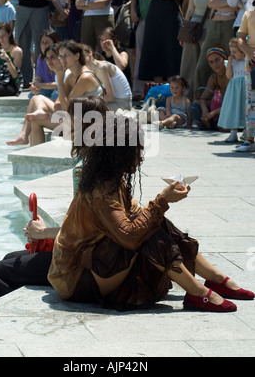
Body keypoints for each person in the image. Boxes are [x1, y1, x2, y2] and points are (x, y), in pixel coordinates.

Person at [47, 114, 253, 312]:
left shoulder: (110, 180)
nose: (141, 156)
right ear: (121, 152)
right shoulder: (100, 189)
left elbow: (139, 215)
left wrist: (163, 202)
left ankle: (215, 278)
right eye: (137, 150)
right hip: (78, 279)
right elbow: (129, 237)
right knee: (148, 230)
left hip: (97, 265)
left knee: (155, 222)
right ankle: (198, 291)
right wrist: (162, 200)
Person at [0, 95, 110, 302]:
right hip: (85, 250)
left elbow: (91, 229)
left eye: (67, 116)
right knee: (10, 259)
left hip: (86, 260)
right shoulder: (91, 156)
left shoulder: (88, 169)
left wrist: (46, 232)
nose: (61, 120)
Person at [26, 41, 104, 146]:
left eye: (66, 56)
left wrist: (60, 80)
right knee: (37, 100)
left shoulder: (85, 77)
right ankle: (33, 159)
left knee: (36, 120)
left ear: (77, 56)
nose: (62, 59)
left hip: (89, 126)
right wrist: (63, 111)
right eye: (61, 56)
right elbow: (60, 102)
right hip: (76, 118)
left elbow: (67, 106)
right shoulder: (72, 75)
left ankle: (33, 157)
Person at [194, 0, 243, 95]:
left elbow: (238, 6)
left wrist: (221, 7)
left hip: (231, 24)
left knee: (232, 66)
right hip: (214, 25)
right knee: (202, 66)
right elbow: (211, 2)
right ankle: (200, 102)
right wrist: (230, 4)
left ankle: (228, 102)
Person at [6, 30, 61, 146]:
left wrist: (41, 85)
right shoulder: (41, 59)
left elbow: (61, 84)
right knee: (34, 96)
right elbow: (39, 77)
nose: (44, 45)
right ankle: (24, 134)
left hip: (64, 110)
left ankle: (26, 132)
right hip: (52, 98)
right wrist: (35, 84)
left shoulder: (62, 61)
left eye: (47, 42)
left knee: (50, 94)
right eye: (42, 42)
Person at [179, 0, 220, 100]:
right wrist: (184, 30)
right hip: (193, 27)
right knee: (188, 65)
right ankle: (184, 99)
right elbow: (190, 9)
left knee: (205, 65)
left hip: (210, 27)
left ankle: (204, 98)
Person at [130, 0, 158, 99]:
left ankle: (155, 90)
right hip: (142, 18)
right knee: (140, 55)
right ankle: (138, 91)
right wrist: (133, 11)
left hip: (157, 19)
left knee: (156, 55)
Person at [188, 47, 229, 130]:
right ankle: (211, 124)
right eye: (211, 62)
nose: (215, 64)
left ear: (224, 59)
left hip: (231, 109)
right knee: (193, 106)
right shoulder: (214, 77)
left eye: (217, 60)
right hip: (219, 111)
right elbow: (203, 98)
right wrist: (205, 111)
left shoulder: (231, 74)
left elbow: (233, 103)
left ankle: (215, 125)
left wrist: (212, 114)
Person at [83, 44, 132, 110]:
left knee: (86, 109)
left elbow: (110, 96)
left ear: (90, 52)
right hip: (114, 102)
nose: (80, 59)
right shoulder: (91, 69)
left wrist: (90, 100)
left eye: (82, 55)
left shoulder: (102, 67)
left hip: (122, 103)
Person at [217, 38, 246, 142]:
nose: (232, 54)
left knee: (245, 109)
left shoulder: (247, 61)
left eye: (235, 52)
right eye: (231, 51)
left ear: (243, 52)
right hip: (234, 90)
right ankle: (233, 133)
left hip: (245, 89)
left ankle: (246, 133)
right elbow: (229, 76)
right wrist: (229, 63)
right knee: (234, 109)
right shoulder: (232, 62)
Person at [236, 2, 255, 151]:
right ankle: (249, 139)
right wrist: (248, 51)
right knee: (251, 101)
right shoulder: (249, 13)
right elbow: (240, 38)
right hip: (252, 62)